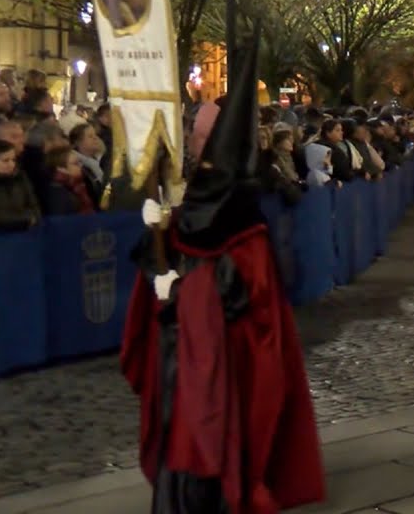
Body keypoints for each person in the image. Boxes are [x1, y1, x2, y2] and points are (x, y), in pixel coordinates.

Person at [120, 32, 325, 513]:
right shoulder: (191, 201)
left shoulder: (243, 220)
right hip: (182, 350)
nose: (199, 150)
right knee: (181, 429)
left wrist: (181, 284)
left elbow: (241, 291)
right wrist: (156, 243)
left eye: (205, 144)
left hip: (218, 354)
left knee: (206, 430)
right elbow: (165, 256)